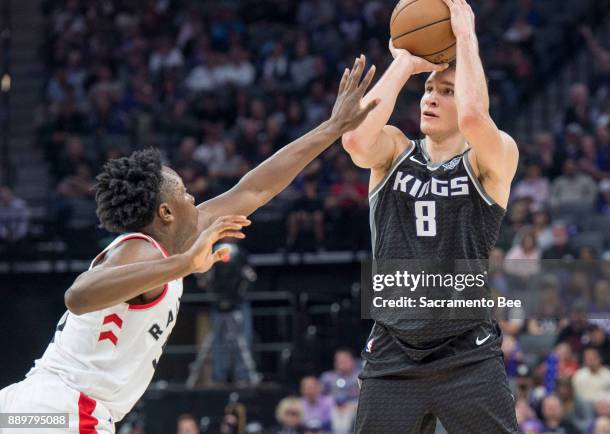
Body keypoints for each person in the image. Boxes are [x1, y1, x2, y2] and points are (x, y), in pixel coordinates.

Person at [0, 57, 379, 434]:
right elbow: (77, 295)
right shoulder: (139, 249)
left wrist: (332, 128)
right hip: (63, 410)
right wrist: (183, 265)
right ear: (165, 212)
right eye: (183, 191)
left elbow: (255, 188)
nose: (193, 196)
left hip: (40, 410)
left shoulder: (163, 246)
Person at [341, 1, 520, 432]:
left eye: (447, 90)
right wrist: (404, 61)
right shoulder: (394, 151)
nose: (431, 97)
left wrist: (466, 38)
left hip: (467, 352)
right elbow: (354, 139)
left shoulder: (492, 158)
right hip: (392, 350)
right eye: (429, 89)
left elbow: (477, 117)